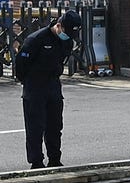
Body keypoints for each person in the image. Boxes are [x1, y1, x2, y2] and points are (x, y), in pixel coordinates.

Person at [13, 10, 80, 169]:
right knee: (35, 128)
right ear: (58, 25)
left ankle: (55, 159)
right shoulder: (36, 39)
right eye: (66, 32)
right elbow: (21, 65)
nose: (68, 36)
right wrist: (28, 82)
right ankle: (36, 162)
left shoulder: (67, 41)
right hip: (34, 87)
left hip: (53, 86)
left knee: (55, 127)